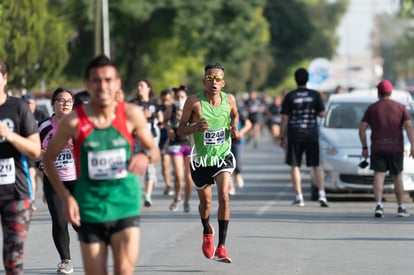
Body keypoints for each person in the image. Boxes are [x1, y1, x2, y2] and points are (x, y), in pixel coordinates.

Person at [43, 54, 160, 275]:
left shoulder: (131, 114)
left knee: (124, 269)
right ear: (87, 84)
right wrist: (66, 197)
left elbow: (153, 150)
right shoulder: (73, 122)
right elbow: (48, 159)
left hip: (124, 202)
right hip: (91, 206)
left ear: (117, 84)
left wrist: (145, 156)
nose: (103, 86)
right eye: (96, 80)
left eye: (108, 80)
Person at [177, 63, 239, 263]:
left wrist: (234, 127)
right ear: (204, 81)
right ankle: (206, 230)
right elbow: (180, 129)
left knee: (224, 196)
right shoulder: (194, 102)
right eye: (210, 79)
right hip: (200, 159)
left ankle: (222, 246)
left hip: (222, 156)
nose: (214, 82)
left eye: (218, 79)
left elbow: (235, 115)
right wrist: (195, 127)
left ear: (223, 82)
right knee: (206, 204)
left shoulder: (229, 100)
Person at [0, 58, 42, 274]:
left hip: (16, 193)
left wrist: (9, 136)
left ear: (4, 78)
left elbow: (36, 150)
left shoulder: (18, 108)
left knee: (13, 259)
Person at [359, 80, 414, 218]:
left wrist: (364, 147)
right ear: (390, 92)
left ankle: (379, 206)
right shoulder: (401, 108)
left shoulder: (372, 109)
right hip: (396, 148)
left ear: (379, 93)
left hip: (378, 148)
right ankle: (401, 207)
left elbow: (362, 129)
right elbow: (408, 127)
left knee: (379, 175)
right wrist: (413, 145)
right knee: (397, 177)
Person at [38, 88, 77, 273]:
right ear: (53, 103)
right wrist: (42, 155)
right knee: (59, 221)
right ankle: (65, 260)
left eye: (69, 101)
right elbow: (34, 151)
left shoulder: (79, 124)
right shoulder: (43, 126)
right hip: (53, 180)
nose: (66, 103)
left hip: (77, 179)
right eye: (62, 100)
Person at [279, 68, 329, 207]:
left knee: (295, 165)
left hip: (295, 134)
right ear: (308, 79)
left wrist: (282, 136)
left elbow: (284, 117)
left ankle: (299, 196)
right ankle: (322, 194)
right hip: (311, 133)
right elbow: (322, 114)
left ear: (296, 80)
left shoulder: (290, 96)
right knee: (316, 165)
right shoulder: (315, 95)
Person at [129, 78, 163, 207]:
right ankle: (133, 192)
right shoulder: (133, 104)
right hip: (136, 138)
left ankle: (147, 195)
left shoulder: (154, 104)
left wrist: (159, 121)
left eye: (142, 85)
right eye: (138, 86)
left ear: (149, 88)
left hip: (151, 138)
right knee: (134, 165)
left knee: (149, 166)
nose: (139, 88)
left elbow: (161, 119)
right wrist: (142, 117)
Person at [165, 85, 193, 212]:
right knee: (178, 174)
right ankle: (177, 197)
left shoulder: (191, 108)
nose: (179, 99)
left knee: (188, 177)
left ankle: (186, 201)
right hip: (176, 144)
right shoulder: (171, 108)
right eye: (177, 97)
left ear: (186, 97)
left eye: (182, 97)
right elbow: (164, 121)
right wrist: (169, 128)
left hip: (189, 144)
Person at [229, 106, 252, 195]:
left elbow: (248, 124)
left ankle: (238, 173)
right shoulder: (220, 113)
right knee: (227, 166)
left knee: (237, 163)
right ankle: (231, 187)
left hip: (237, 141)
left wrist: (241, 132)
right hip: (225, 142)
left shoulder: (238, 113)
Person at [158, 88, 174, 196]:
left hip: (175, 139)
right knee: (165, 163)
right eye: (163, 100)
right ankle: (168, 185)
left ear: (172, 99)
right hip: (163, 138)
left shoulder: (176, 108)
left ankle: (177, 182)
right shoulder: (158, 109)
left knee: (176, 163)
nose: (165, 103)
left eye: (167, 100)